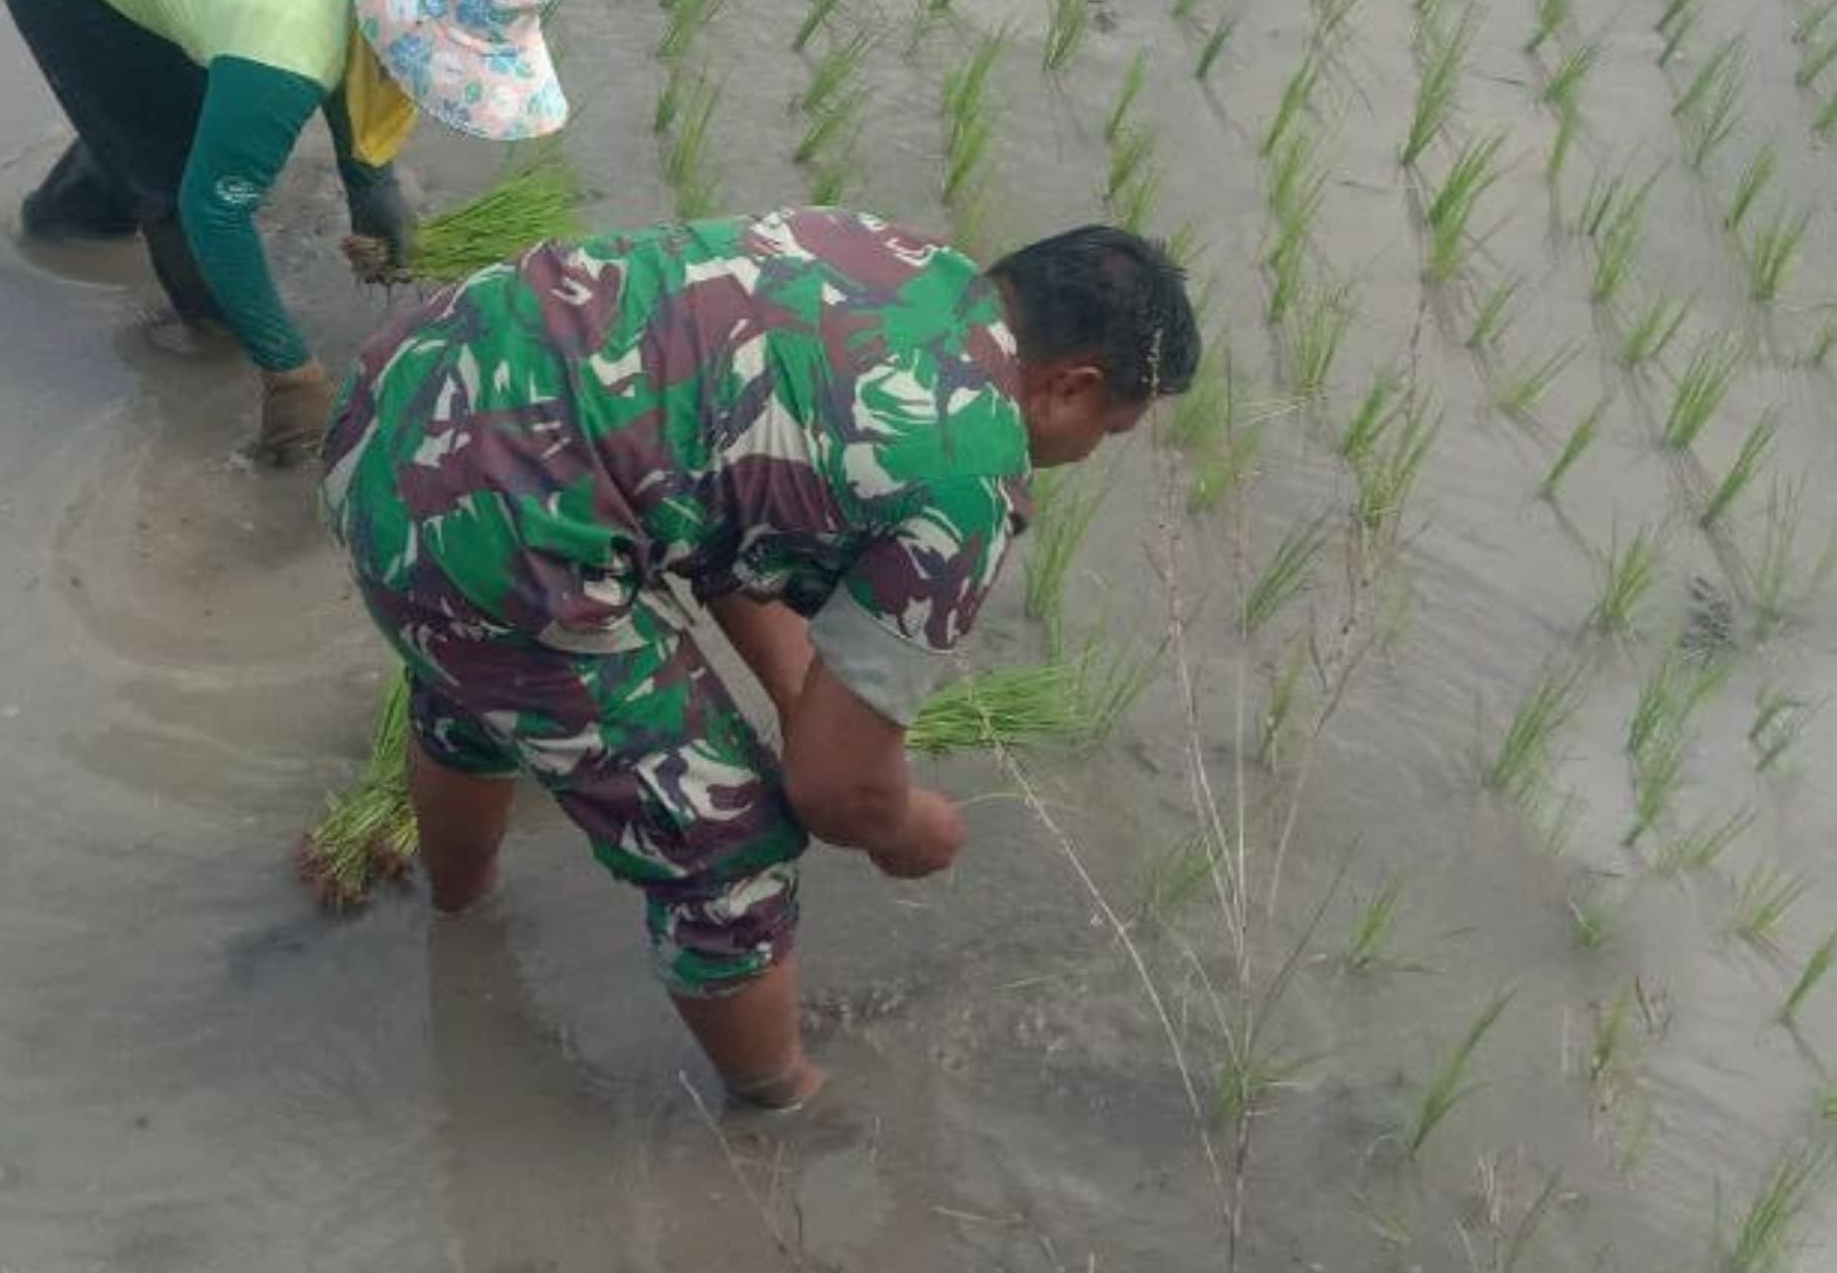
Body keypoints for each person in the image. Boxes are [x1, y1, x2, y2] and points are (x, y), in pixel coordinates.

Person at [321, 213, 1201, 1108]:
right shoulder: (968, 474)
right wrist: (905, 826)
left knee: (476, 691)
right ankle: (781, 1108)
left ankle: (458, 914)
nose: (1091, 450)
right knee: (731, 842)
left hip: (401, 400)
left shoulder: (884, 253)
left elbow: (730, 510)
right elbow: (833, 791)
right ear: (1069, 389)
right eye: (1111, 429)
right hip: (494, 530)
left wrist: (795, 697)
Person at [0, 0, 565, 462]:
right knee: (168, 170)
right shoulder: (286, 39)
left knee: (161, 109)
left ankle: (79, 209)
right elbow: (213, 211)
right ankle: (149, 289)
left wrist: (369, 179)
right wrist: (287, 368)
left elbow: (361, 36)